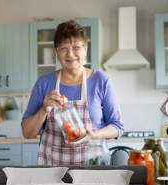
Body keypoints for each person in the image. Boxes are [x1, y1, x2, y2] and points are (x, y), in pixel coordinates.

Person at [21, 20, 124, 165]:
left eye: (76, 47)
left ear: (85, 49)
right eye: (63, 48)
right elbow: (27, 133)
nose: (70, 54)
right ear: (56, 51)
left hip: (93, 169)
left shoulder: (101, 81)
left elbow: (117, 127)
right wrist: (44, 109)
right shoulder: (44, 83)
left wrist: (94, 135)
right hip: (53, 171)